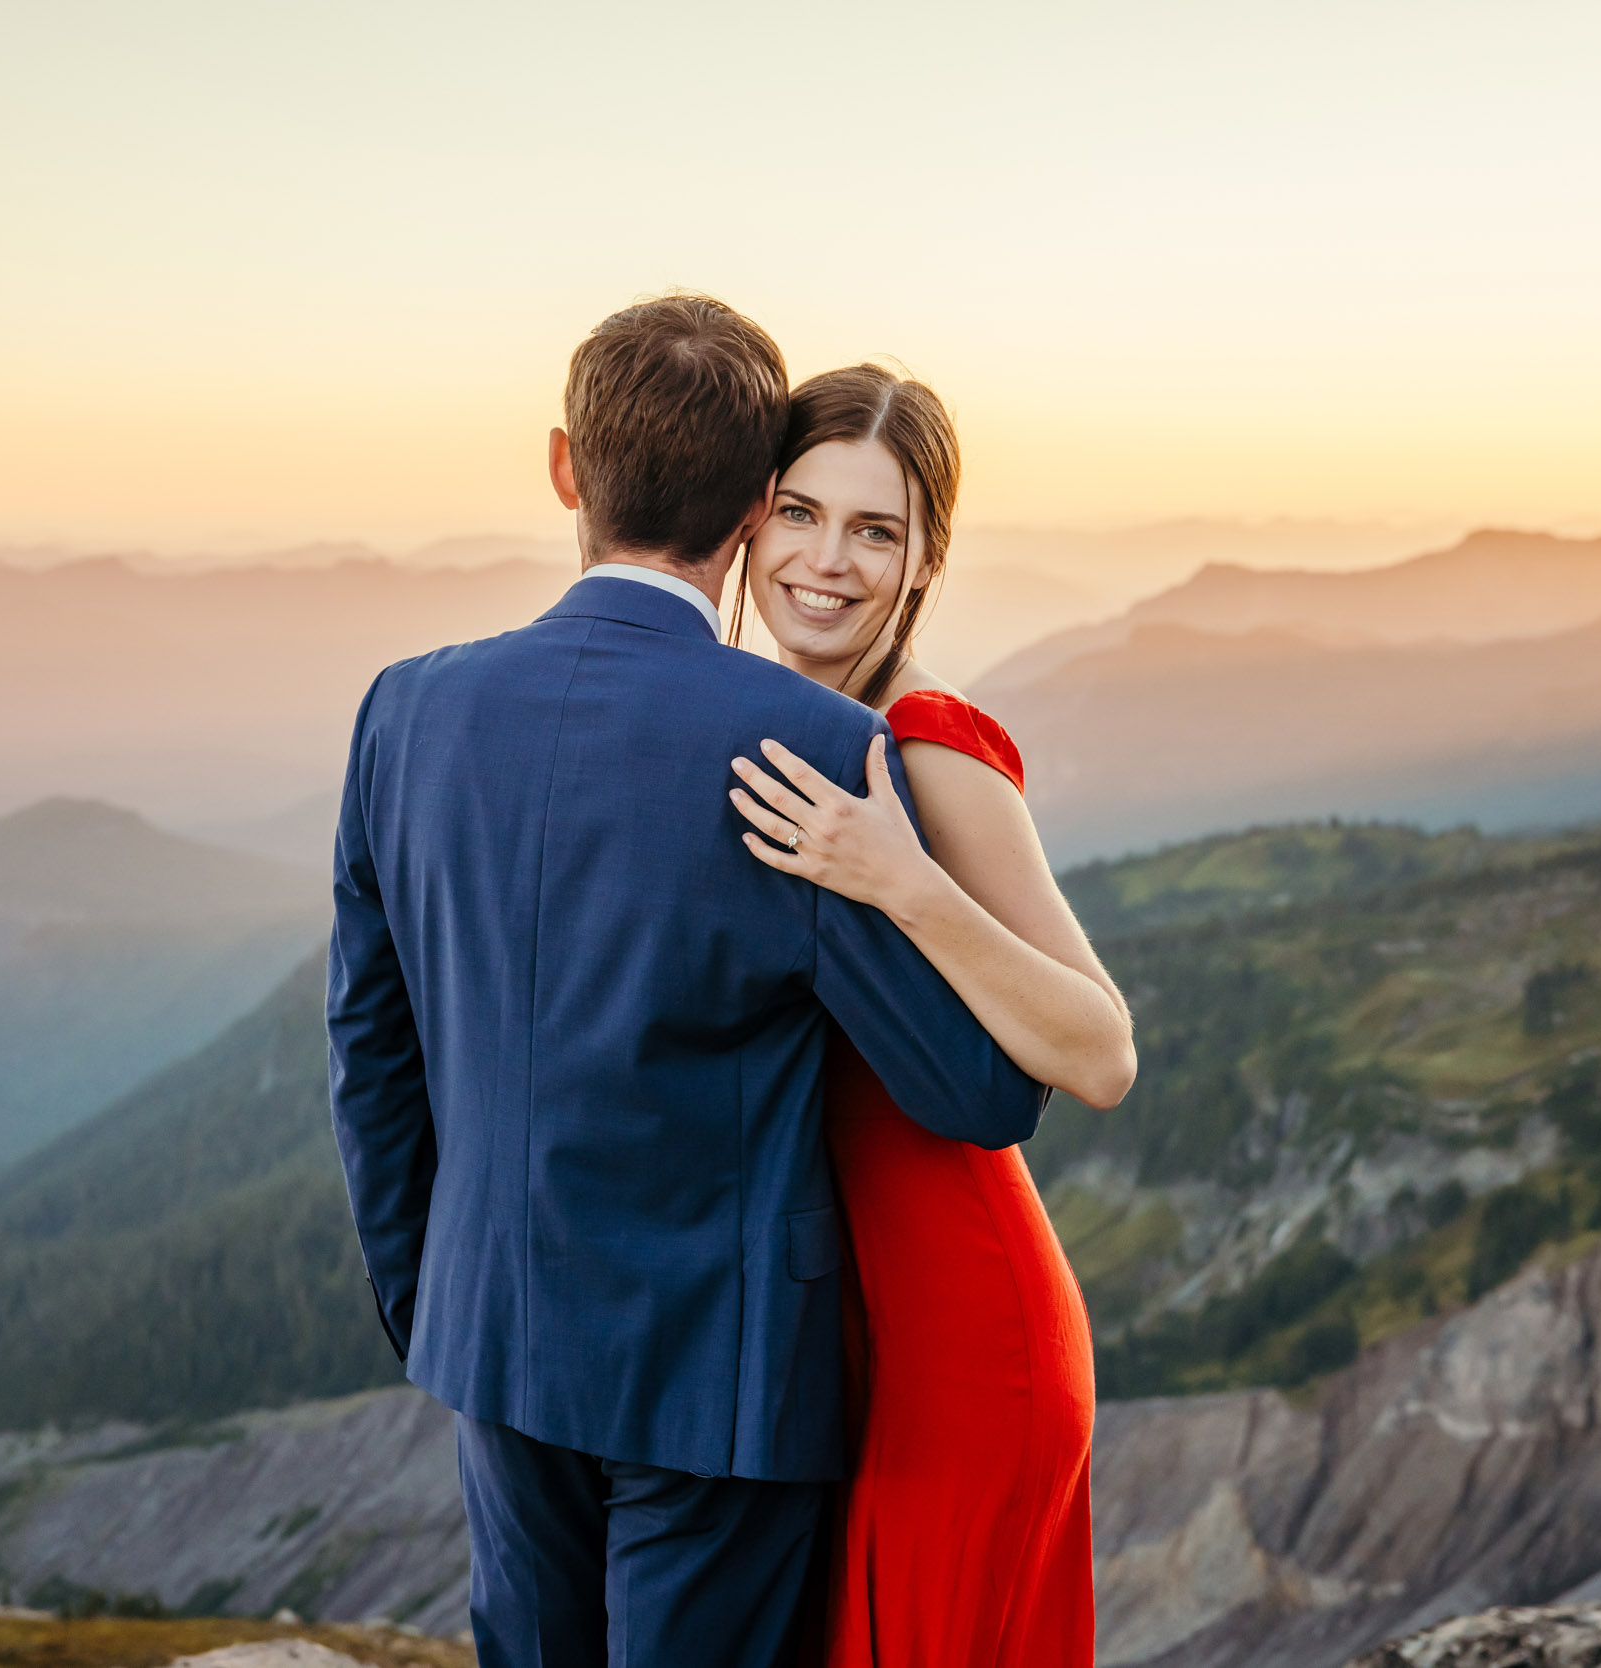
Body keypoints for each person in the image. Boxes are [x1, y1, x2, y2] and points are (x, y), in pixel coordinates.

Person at [326, 298, 1047, 1668]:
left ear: (563, 468)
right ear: (756, 506)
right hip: (723, 1381)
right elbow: (979, 1089)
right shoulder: (812, 743)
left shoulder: (403, 710)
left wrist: (436, 1303)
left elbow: (371, 1051)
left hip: (495, 1338)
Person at [725, 364, 1136, 1667]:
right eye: (801, 513)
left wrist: (901, 883)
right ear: (749, 519)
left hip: (965, 1347)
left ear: (925, 561)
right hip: (861, 1341)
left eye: (877, 529)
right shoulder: (801, 722)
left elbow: (1100, 1049)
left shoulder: (927, 742)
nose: (826, 561)